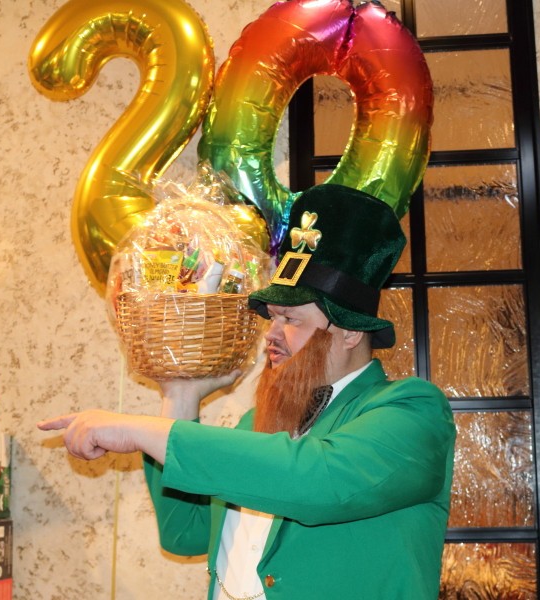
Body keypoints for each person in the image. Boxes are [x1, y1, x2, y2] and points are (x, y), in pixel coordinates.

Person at [38, 183, 456, 599]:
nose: (271, 335)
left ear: (348, 332)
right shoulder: (255, 424)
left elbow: (318, 479)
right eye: (271, 318)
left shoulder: (413, 414)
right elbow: (184, 533)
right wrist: (179, 397)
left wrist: (139, 431)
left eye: (290, 319)